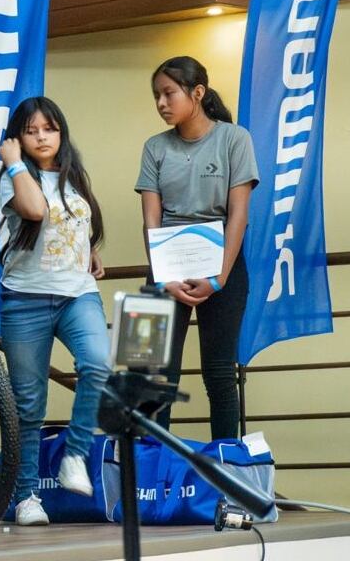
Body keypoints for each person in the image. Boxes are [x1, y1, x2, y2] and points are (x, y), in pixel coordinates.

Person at [0, 97, 111, 527]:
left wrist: (90, 252)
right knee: (28, 405)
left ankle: (75, 455)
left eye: (50, 128)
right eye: (32, 130)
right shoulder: (13, 176)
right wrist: (13, 162)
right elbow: (37, 211)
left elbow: (77, 221)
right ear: (17, 137)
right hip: (25, 300)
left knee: (98, 364)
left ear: (62, 132)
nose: (42, 136)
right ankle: (24, 497)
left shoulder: (74, 174)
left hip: (78, 294)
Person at [137, 56, 257, 438]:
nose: (161, 103)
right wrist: (165, 276)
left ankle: (227, 478)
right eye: (156, 95)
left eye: (169, 93)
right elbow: (150, 221)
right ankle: (150, 481)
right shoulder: (154, 147)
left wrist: (218, 279)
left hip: (222, 266)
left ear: (198, 93)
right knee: (153, 375)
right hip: (163, 269)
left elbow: (238, 216)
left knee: (220, 374)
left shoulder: (234, 139)